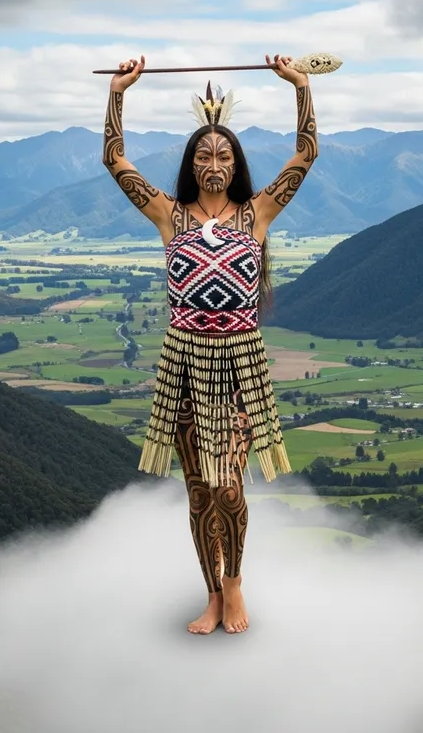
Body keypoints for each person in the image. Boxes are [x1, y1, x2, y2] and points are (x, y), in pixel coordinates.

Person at [102, 53, 318, 634]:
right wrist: (120, 92)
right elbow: (113, 159)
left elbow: (306, 155)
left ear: (236, 163)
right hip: (184, 367)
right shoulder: (169, 216)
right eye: (204, 154)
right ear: (191, 163)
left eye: (223, 154)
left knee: (229, 487)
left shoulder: (258, 214)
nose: (214, 163)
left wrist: (300, 87)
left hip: (239, 367)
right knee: (199, 493)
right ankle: (212, 595)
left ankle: (235, 584)